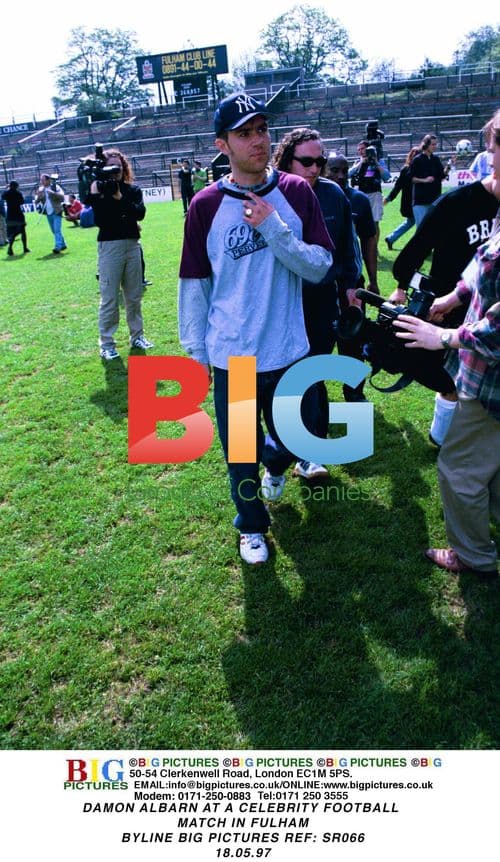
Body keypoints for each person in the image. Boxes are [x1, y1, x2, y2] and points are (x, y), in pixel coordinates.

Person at [178, 93, 333, 564]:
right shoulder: (205, 205)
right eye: (244, 133)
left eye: (262, 130)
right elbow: (194, 284)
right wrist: (196, 355)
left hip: (288, 349)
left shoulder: (297, 192)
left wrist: (275, 229)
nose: (258, 141)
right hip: (233, 356)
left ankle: (279, 461)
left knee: (297, 439)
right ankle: (250, 527)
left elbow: (320, 266)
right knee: (239, 454)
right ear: (222, 144)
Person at [393, 138, 500, 579]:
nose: (492, 160)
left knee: (458, 467)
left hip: (488, 375)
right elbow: (483, 268)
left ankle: (473, 556)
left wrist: (444, 336)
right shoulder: (466, 204)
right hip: (480, 368)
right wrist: (451, 296)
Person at [392, 112, 499, 447]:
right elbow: (413, 252)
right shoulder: (456, 204)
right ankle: (445, 428)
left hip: (482, 317)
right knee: (450, 376)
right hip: (455, 308)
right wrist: (401, 287)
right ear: (489, 148)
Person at [272, 127, 359, 477]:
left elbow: (347, 247)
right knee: (277, 378)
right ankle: (275, 454)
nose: (315, 168)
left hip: (321, 300)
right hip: (276, 302)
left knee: (313, 373)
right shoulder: (270, 193)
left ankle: (311, 453)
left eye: (320, 161)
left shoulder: (334, 194)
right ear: (285, 159)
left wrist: (352, 288)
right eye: (306, 161)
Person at [85, 147, 154, 361]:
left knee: (134, 296)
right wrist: (100, 191)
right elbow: (99, 219)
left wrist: (118, 196)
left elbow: (139, 213)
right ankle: (106, 343)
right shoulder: (98, 188)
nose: (115, 170)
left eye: (118, 165)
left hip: (132, 244)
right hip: (109, 247)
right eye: (110, 165)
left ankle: (137, 336)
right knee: (109, 299)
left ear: (123, 167)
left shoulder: (132, 189)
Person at [325, 152, 378, 402]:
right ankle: (313, 397)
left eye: (345, 171)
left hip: (350, 284)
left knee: (352, 341)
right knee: (319, 343)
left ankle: (354, 393)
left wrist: (373, 279)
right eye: (334, 170)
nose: (341, 176)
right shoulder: (311, 198)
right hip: (319, 286)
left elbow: (369, 240)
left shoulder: (358, 200)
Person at [348, 139, 391, 250]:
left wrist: (375, 162)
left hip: (375, 194)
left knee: (375, 222)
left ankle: (374, 248)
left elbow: (387, 176)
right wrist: (360, 163)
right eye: (359, 150)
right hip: (360, 195)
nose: (360, 152)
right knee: (357, 222)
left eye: (362, 149)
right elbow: (348, 174)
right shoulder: (358, 162)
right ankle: (361, 246)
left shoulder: (378, 161)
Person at [410, 134, 452, 227]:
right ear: (426, 145)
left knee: (434, 229)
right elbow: (411, 179)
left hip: (435, 200)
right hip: (420, 201)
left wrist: (449, 166)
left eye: (436, 144)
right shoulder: (417, 160)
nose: (435, 146)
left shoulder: (436, 159)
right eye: (432, 144)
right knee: (421, 230)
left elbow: (442, 176)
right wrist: (424, 180)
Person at [383, 147, 420, 250]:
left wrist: (389, 198)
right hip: (415, 203)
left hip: (410, 203)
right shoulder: (408, 170)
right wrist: (389, 198)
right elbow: (398, 186)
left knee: (411, 222)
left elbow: (397, 187)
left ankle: (391, 238)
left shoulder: (405, 169)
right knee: (421, 224)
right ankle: (422, 247)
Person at [35, 173, 67, 253]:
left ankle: (58, 247)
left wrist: (53, 193)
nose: (42, 182)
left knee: (57, 230)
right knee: (54, 230)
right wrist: (38, 196)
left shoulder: (55, 187)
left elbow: (62, 197)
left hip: (57, 211)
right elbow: (36, 201)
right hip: (48, 212)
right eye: (41, 180)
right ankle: (63, 244)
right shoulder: (41, 189)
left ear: (48, 180)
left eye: (43, 180)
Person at [1, 181, 29, 255]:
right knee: (23, 231)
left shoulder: (7, 193)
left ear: (10, 186)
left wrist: (6, 188)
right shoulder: (18, 193)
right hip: (19, 214)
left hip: (10, 215)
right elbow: (22, 202)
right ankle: (25, 248)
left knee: (12, 232)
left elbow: (2, 196)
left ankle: (10, 248)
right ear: (16, 186)